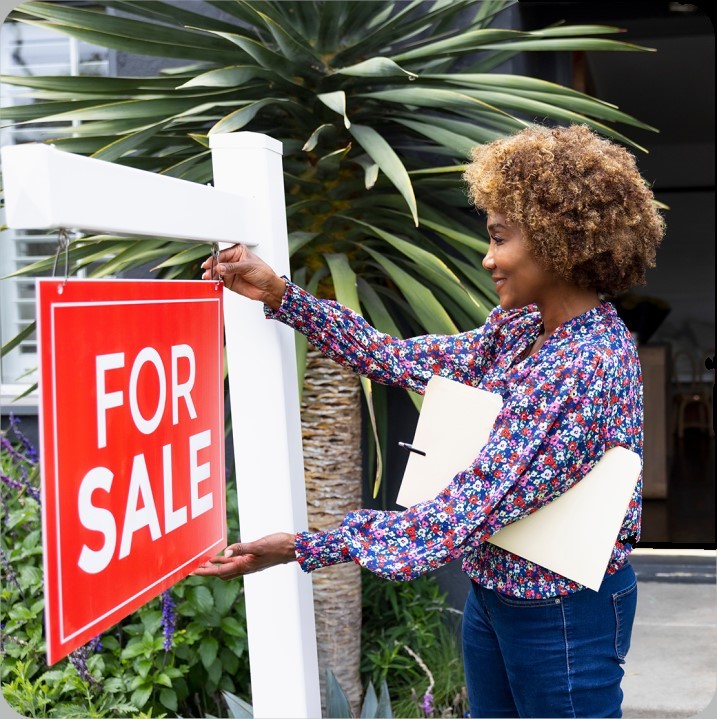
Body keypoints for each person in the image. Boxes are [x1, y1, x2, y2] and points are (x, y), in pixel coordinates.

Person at [195, 124, 664, 718]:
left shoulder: (584, 367)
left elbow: (457, 514)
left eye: (500, 238)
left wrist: (303, 546)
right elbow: (394, 358)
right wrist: (282, 296)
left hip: (563, 612)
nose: (488, 258)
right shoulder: (522, 332)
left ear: (557, 240)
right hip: (498, 592)